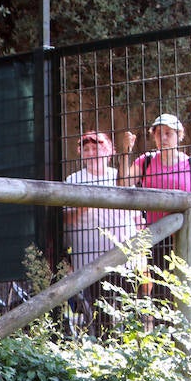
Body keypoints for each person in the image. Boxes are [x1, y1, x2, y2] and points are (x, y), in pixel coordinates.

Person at [64, 131, 142, 333]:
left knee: (126, 312)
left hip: (122, 260)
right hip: (90, 263)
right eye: (86, 149)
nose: (91, 152)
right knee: (100, 319)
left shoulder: (119, 177)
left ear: (110, 152)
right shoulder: (73, 179)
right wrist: (87, 202)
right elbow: (66, 219)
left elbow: (134, 214)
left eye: (97, 147)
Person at [128, 114, 191, 284]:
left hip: (189, 234)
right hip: (157, 236)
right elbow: (123, 183)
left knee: (188, 285)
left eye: (168, 133)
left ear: (179, 136)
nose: (163, 137)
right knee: (160, 288)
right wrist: (125, 152)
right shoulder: (145, 161)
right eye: (158, 133)